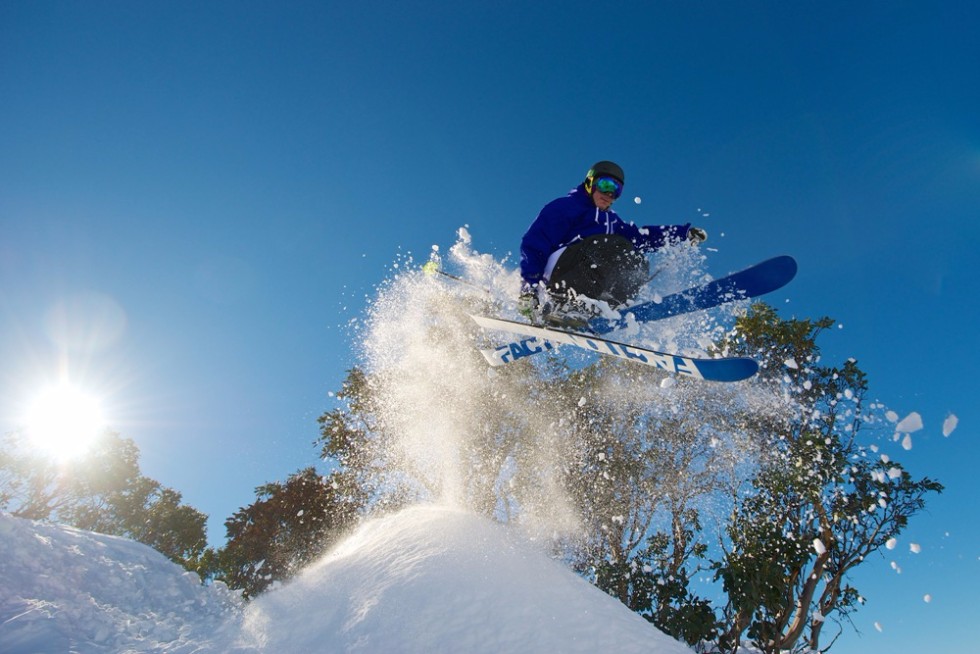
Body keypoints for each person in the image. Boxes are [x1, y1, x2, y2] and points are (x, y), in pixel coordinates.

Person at [519, 160, 707, 323]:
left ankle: (594, 311)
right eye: (605, 185)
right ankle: (567, 305)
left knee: (635, 260)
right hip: (560, 274)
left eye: (616, 191)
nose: (609, 194)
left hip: (587, 277)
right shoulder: (566, 207)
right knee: (608, 246)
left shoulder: (612, 221)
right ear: (591, 182)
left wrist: (683, 234)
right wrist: (529, 288)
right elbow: (535, 243)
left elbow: (642, 237)